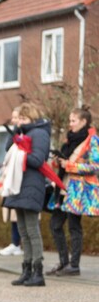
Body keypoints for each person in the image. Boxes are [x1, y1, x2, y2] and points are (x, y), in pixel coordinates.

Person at [46, 106, 99, 276]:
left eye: (73, 121)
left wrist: (68, 165)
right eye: (70, 120)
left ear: (83, 122)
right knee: (55, 225)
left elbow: (95, 166)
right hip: (64, 189)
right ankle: (64, 262)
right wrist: (58, 162)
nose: (70, 124)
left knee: (74, 227)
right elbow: (66, 163)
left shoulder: (93, 141)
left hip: (78, 191)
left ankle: (74, 265)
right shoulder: (70, 140)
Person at [3, 103, 51, 286]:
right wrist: (16, 133)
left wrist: (20, 153)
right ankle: (27, 270)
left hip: (31, 185)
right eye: (18, 119)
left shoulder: (39, 133)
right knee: (23, 231)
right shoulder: (23, 132)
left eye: (23, 119)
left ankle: (38, 272)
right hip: (19, 185)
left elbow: (38, 159)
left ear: (32, 117)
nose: (19, 122)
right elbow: (8, 148)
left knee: (32, 230)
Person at [0, 107, 23, 256]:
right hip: (11, 179)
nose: (13, 120)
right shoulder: (13, 134)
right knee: (13, 215)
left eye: (17, 117)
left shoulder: (27, 135)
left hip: (19, 181)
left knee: (20, 216)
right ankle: (15, 243)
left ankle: (18, 244)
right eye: (13, 117)